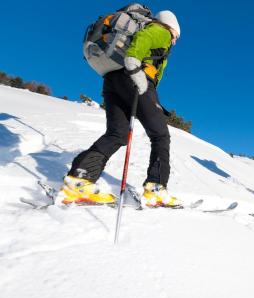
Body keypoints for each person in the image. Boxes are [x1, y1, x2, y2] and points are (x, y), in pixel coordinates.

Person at [58, 10, 182, 207]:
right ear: (172, 27)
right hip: (135, 78)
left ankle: (79, 180)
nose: (174, 41)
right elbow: (144, 37)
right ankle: (156, 189)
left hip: (112, 80)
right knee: (160, 135)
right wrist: (133, 66)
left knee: (117, 134)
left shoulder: (150, 28)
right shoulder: (161, 30)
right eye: (176, 36)